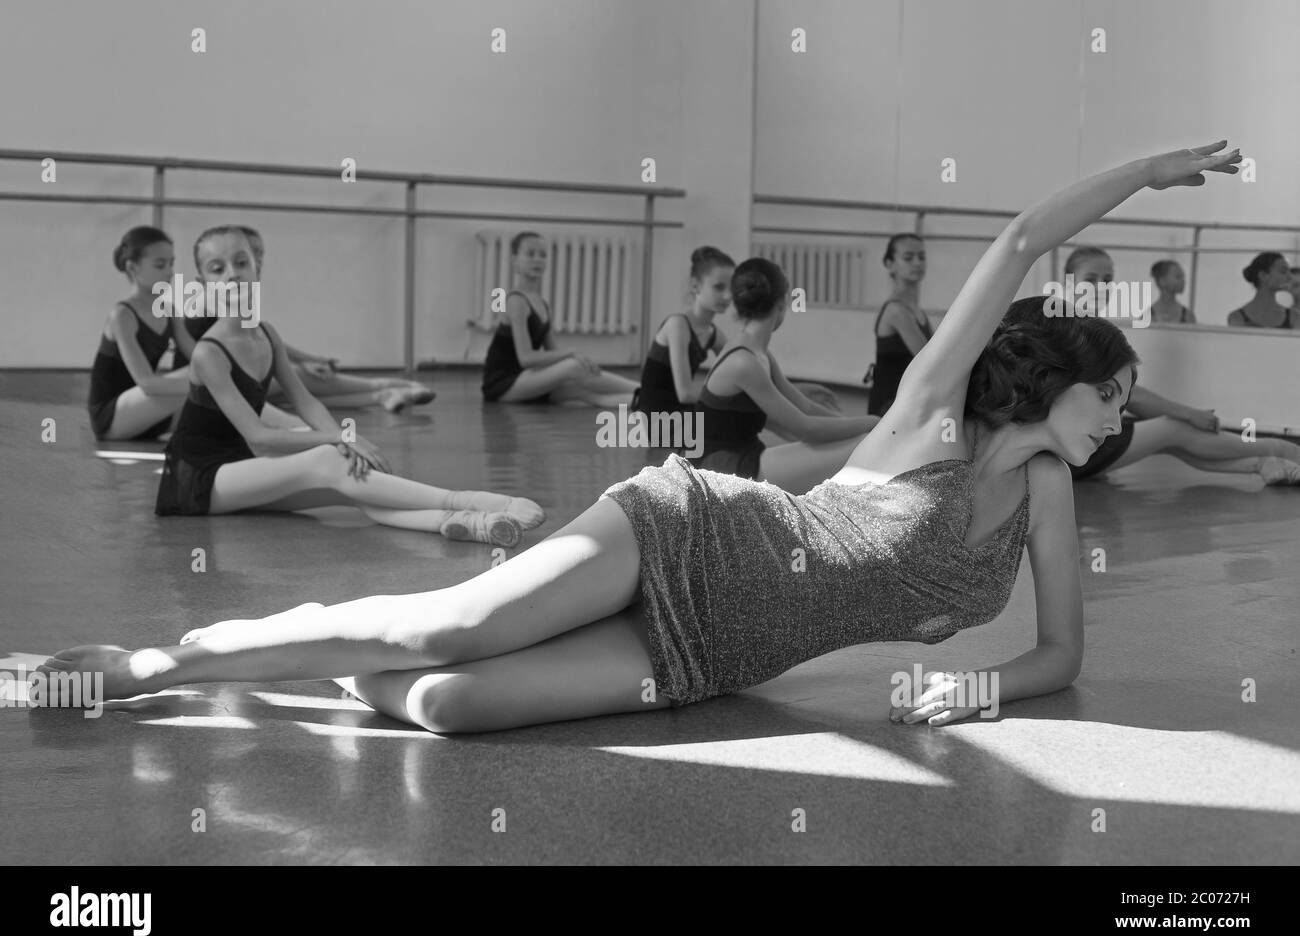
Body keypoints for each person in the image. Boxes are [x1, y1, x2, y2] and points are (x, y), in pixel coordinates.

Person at [39, 142, 1243, 733]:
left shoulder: (1043, 496)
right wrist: (1151, 170)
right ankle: (161, 668)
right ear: (1060, 379)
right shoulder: (932, 408)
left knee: (447, 706)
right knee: (439, 624)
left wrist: (971, 682)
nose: (1121, 420)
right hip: (687, 534)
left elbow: (1061, 660)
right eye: (1115, 395)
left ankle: (312, 651)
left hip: (719, 655)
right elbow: (1024, 237)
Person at [153, 225, 545, 546]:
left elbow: (305, 401)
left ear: (258, 267)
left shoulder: (267, 334)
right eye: (217, 269)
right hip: (198, 480)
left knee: (351, 488)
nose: (232, 274)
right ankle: (466, 499)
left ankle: (464, 523)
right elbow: (260, 438)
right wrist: (338, 438)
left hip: (240, 466)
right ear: (204, 281)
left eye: (241, 263)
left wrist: (342, 436)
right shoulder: (209, 353)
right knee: (327, 460)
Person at [1062, 246, 1300, 484]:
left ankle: (1264, 464)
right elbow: (1129, 396)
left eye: (1107, 280)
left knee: (1175, 441)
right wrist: (1189, 414)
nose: (1100, 287)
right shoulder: (1070, 330)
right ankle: (1278, 449)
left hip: (1079, 443)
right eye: (1090, 280)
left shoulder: (1088, 326)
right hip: (1071, 450)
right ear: (1069, 282)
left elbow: (1124, 395)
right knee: (1174, 429)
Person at [172, 226, 434, 412]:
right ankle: (387, 387)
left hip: (235, 380)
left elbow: (260, 339)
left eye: (255, 257)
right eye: (254, 254)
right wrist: (308, 360)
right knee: (309, 381)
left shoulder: (247, 313)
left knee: (291, 395)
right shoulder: (217, 304)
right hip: (209, 385)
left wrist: (308, 358)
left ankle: (382, 395)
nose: (257, 262)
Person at [693, 259, 879, 492]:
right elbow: (805, 428)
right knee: (863, 445)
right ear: (781, 303)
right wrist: (873, 423)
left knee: (860, 439)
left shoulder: (757, 352)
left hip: (739, 458)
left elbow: (805, 406)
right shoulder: (744, 362)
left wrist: (859, 424)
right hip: (719, 470)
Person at [481, 232, 640, 406]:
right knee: (573, 367)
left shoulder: (542, 303)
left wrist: (573, 366)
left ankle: (647, 399)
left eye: (543, 255)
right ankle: (643, 389)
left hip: (527, 377)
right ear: (515, 261)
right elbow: (526, 358)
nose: (537, 260)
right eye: (530, 254)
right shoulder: (515, 301)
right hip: (503, 384)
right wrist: (572, 354)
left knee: (584, 393)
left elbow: (553, 353)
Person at [86, 227, 194, 440]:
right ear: (132, 268)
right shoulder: (122, 315)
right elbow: (147, 383)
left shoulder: (169, 310)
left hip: (149, 414)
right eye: (160, 265)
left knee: (215, 369)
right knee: (211, 376)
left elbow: (200, 356)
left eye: (171, 264)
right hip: (113, 417)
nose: (169, 272)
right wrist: (210, 381)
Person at [631, 247, 732, 416]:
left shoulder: (714, 334)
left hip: (679, 412)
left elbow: (739, 365)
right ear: (695, 286)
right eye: (719, 287)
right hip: (658, 419)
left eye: (731, 288)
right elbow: (685, 393)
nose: (728, 296)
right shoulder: (677, 325)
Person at [866, 233, 934, 415]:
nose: (917, 263)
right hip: (889, 407)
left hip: (907, 403)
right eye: (908, 258)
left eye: (922, 257)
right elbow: (931, 358)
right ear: (890, 264)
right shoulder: (896, 311)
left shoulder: (917, 310)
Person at [1227, 252, 1296, 329]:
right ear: (1263, 276)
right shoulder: (1237, 317)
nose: (1290, 277)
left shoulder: (1294, 317)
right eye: (1283, 271)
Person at [1146, 260, 1197, 324]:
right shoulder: (1147, 317)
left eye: (1183, 277)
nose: (1183, 281)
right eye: (1178, 277)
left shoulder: (1188, 316)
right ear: (1162, 280)